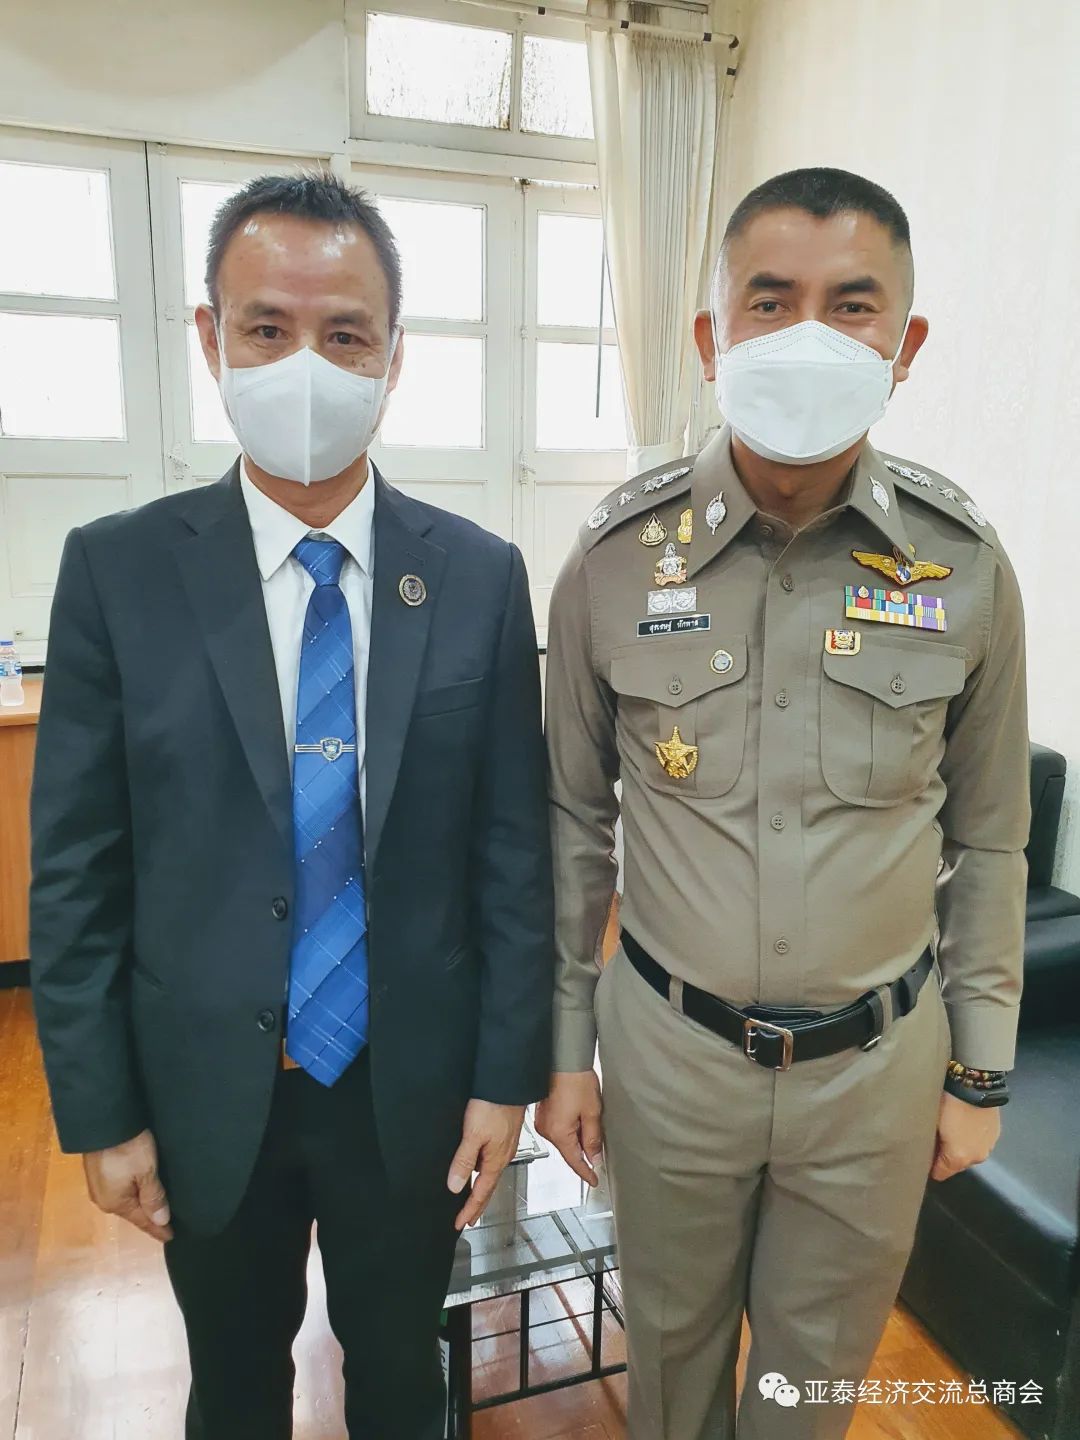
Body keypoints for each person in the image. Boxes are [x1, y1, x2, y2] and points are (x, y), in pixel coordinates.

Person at [30, 171, 554, 1440]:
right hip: (207, 1085)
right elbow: (78, 870)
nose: (306, 364)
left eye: (346, 334)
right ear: (210, 338)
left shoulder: (477, 576)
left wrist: (506, 1083)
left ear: (393, 359)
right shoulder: (117, 571)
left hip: (410, 1088)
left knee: (402, 1380)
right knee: (233, 1388)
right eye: (267, 328)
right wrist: (102, 1114)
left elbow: (512, 855)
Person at [536, 167, 1028, 1439]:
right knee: (671, 1374)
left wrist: (979, 1069)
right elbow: (571, 822)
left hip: (875, 1074)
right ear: (713, 337)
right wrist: (563, 1049)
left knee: (811, 1390)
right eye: (771, 301)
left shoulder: (961, 567)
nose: (810, 335)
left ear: (905, 344)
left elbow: (991, 839)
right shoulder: (613, 560)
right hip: (670, 1060)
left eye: (852, 305)